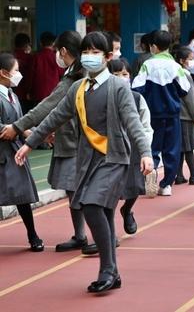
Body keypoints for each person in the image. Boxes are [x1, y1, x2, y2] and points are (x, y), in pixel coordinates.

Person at [15, 31, 153, 293]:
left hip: (114, 159)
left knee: (90, 204)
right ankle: (113, 271)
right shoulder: (77, 89)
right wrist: (29, 143)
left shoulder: (118, 88)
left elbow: (133, 123)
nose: (89, 57)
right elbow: (54, 117)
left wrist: (145, 152)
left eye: (95, 52)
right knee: (105, 213)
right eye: (86, 52)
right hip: (88, 161)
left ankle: (107, 270)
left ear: (108, 57)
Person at [0, 31, 88, 252]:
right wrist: (39, 132)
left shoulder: (77, 77)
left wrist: (20, 129)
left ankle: (99, 236)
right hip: (73, 140)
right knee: (75, 190)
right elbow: (57, 112)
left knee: (84, 191)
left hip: (82, 143)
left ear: (64, 51)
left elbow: (49, 106)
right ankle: (82, 235)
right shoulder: (74, 74)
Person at [132, 30, 190, 197]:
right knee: (172, 149)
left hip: (152, 114)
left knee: (152, 146)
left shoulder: (147, 65)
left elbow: (136, 88)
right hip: (172, 114)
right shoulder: (176, 67)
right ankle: (166, 185)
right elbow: (184, 89)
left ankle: (152, 172)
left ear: (154, 47)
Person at [0, 53, 43, 252]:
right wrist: (15, 129)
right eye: (16, 71)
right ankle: (33, 235)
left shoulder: (13, 95)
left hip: (15, 152)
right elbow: (8, 127)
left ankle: (32, 234)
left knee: (23, 195)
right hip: (2, 153)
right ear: (3, 73)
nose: (19, 74)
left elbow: (21, 123)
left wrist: (35, 135)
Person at [107, 59, 154, 234]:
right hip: (109, 149)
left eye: (125, 74)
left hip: (133, 149)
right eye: (116, 74)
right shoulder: (101, 97)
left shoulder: (137, 98)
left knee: (134, 187)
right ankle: (108, 231)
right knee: (108, 191)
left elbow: (146, 125)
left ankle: (127, 209)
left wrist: (145, 151)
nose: (121, 78)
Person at [172, 46, 194, 185]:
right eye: (190, 59)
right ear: (182, 60)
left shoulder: (177, 72)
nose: (193, 62)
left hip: (179, 114)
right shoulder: (185, 74)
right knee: (188, 147)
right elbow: (190, 98)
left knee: (182, 146)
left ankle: (179, 175)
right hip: (186, 115)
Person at [30, 31, 65, 103]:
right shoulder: (57, 57)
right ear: (53, 43)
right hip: (54, 93)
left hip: (38, 93)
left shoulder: (36, 57)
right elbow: (62, 73)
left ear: (41, 43)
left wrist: (28, 91)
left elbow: (31, 76)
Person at [13, 33, 33, 110]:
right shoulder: (30, 58)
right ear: (26, 45)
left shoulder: (10, 57)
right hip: (25, 94)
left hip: (12, 93)